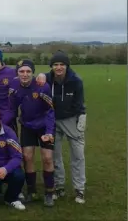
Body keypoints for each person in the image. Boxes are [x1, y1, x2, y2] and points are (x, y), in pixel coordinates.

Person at [36, 51, 87, 204]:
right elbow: (29, 80)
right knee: (55, 156)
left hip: (71, 119)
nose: (58, 67)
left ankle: (79, 189)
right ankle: (59, 186)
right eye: (55, 65)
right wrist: (39, 75)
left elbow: (80, 103)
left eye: (62, 65)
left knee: (77, 156)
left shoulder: (76, 80)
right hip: (52, 121)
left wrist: (81, 118)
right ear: (51, 66)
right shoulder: (46, 79)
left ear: (66, 66)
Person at [7, 60, 56, 207]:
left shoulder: (43, 86)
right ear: (17, 73)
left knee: (47, 158)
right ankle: (32, 191)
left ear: (33, 73)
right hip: (27, 126)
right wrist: (9, 128)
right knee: (27, 157)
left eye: (28, 71)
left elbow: (50, 110)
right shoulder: (13, 86)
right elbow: (12, 109)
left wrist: (49, 131)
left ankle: (49, 192)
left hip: (44, 126)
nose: (25, 74)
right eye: (21, 71)